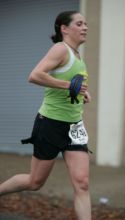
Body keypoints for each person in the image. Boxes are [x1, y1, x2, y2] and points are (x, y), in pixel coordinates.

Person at [0, 11, 92, 220]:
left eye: (86, 23)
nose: (85, 27)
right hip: (50, 124)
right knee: (35, 183)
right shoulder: (60, 49)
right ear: (64, 28)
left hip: (74, 127)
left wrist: (83, 93)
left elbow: (73, 88)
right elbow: (35, 75)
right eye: (79, 23)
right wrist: (70, 86)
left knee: (82, 183)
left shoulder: (78, 57)